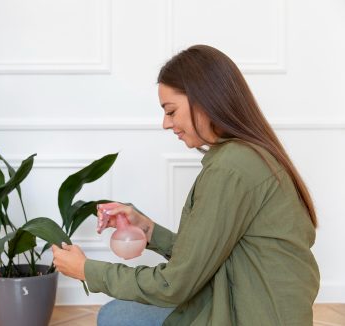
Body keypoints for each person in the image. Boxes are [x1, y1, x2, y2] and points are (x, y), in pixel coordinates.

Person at [51, 44, 320, 326]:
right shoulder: (244, 156)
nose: (166, 123)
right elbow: (203, 255)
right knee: (118, 313)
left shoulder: (231, 169)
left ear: (205, 100)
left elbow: (174, 284)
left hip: (249, 314)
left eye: (171, 111)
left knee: (115, 317)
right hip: (248, 302)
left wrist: (86, 270)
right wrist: (145, 227)